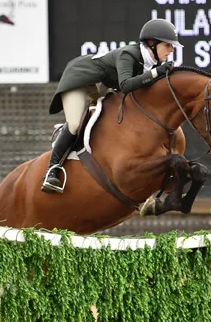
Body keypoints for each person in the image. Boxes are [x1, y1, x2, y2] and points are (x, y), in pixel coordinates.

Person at [42, 18, 183, 193]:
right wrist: (156, 73)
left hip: (100, 83)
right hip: (79, 77)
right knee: (75, 124)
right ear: (152, 43)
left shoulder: (153, 63)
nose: (171, 49)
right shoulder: (129, 54)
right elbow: (125, 85)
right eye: (168, 45)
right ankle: (52, 170)